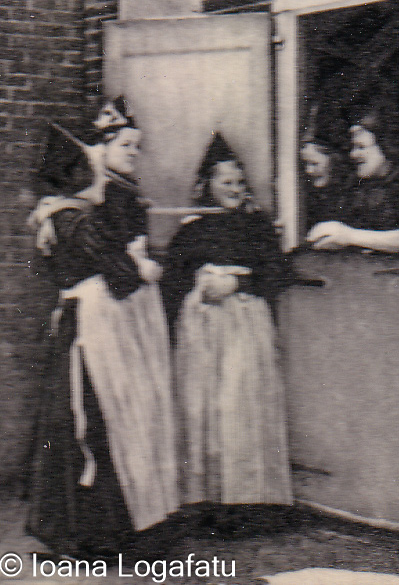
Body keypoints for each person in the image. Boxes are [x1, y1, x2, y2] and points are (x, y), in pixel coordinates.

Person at [25, 99, 178, 558]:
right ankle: (94, 532)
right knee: (96, 419)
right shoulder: (75, 218)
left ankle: (96, 528)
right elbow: (119, 272)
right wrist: (143, 268)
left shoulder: (61, 216)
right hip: (94, 330)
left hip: (91, 322)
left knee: (88, 420)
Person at [163, 133, 293, 522]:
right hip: (201, 328)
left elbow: (278, 272)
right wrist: (193, 296)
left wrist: (236, 283)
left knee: (240, 402)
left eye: (239, 183)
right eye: (226, 183)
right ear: (208, 186)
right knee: (203, 404)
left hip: (243, 322)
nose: (235, 190)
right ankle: (206, 498)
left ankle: (249, 500)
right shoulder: (192, 229)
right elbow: (173, 279)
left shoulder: (256, 227)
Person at [306, 107, 399, 253]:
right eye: (353, 147)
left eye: (361, 147)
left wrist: (350, 236)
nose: (353, 154)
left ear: (387, 148)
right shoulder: (356, 187)